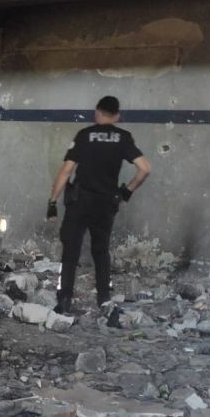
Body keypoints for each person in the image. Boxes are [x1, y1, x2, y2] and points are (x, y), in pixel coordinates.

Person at [47, 96, 151, 314]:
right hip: (105, 203)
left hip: (80, 202)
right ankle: (104, 299)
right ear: (117, 116)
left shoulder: (84, 135)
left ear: (97, 112)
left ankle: (65, 299)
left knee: (71, 251)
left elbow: (66, 171)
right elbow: (145, 169)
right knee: (101, 251)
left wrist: (52, 202)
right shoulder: (123, 137)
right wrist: (127, 192)